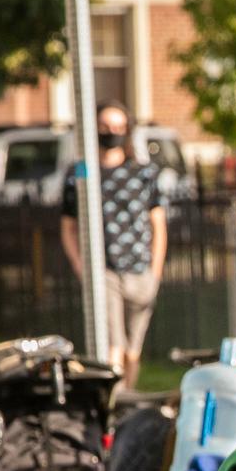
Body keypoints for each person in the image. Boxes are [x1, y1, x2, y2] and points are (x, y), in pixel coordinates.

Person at [59, 101, 166, 389]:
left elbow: (158, 223)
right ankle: (113, 402)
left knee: (133, 349)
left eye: (118, 127)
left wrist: (155, 271)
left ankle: (126, 398)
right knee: (113, 344)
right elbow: (68, 226)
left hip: (140, 269)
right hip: (103, 270)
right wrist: (81, 266)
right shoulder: (80, 174)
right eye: (105, 127)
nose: (112, 132)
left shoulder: (143, 173)